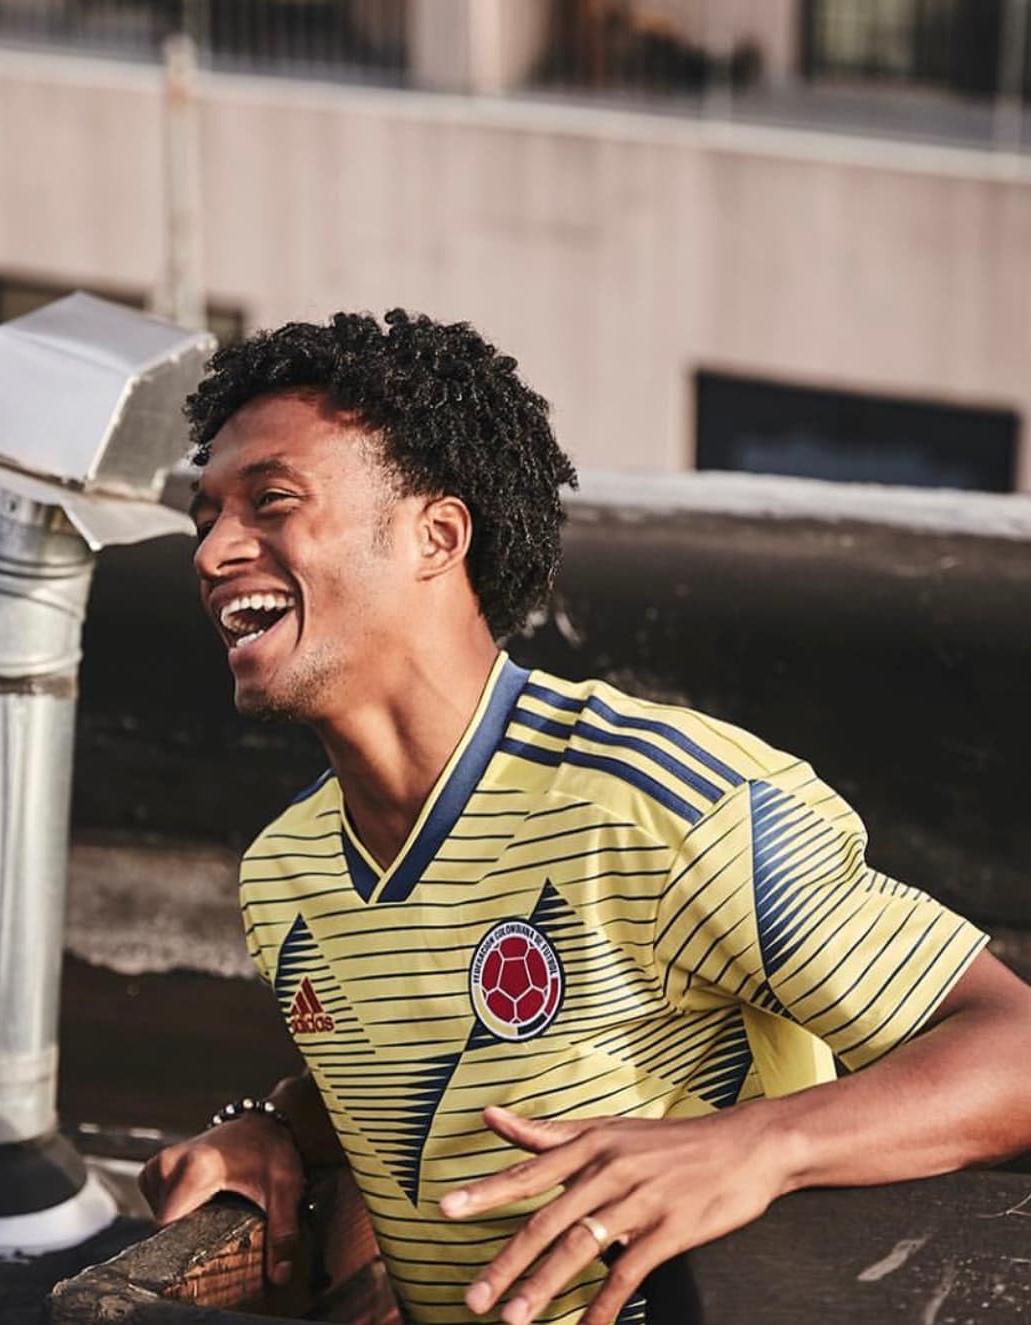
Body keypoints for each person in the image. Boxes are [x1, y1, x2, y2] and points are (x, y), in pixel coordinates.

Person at [139, 310, 1031, 1325]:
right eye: (204, 517)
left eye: (271, 502)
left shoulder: (665, 801)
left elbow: (1013, 1043)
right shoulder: (285, 871)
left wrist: (760, 1145)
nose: (215, 551)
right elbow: (407, 1073)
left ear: (438, 534)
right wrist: (269, 1126)